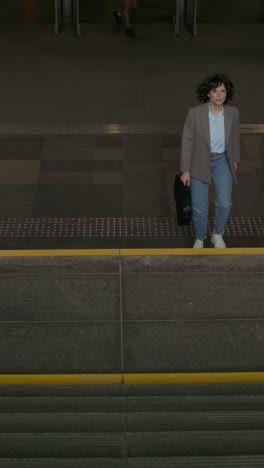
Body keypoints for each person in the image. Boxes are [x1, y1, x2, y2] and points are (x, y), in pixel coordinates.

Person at [180, 73, 240, 249]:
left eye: (223, 91)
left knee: (225, 203)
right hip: (200, 162)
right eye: (215, 91)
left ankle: (217, 233)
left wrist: (235, 159)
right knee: (199, 207)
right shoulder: (195, 113)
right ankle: (200, 237)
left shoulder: (233, 113)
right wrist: (185, 169)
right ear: (208, 94)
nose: (219, 95)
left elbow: (235, 138)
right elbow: (187, 141)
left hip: (223, 161)